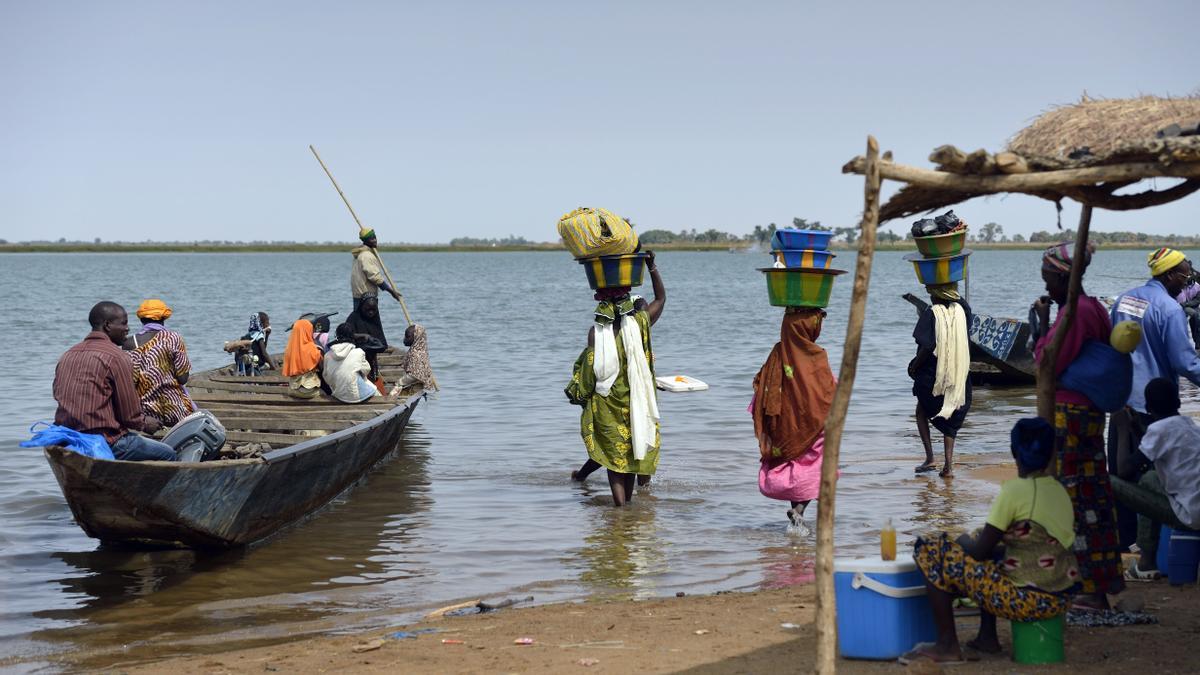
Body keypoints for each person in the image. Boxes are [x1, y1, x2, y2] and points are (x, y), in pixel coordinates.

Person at [904, 418, 1079, 664]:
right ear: (1051, 454)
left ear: (1013, 452)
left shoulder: (1015, 491)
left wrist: (962, 539)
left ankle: (947, 645)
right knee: (993, 550)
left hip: (1027, 600)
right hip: (1061, 597)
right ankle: (987, 638)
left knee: (930, 550)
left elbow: (978, 552)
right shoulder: (1059, 490)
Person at [1031, 242, 1124, 607]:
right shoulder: (1093, 307)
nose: (1047, 286)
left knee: (1074, 499)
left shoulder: (1075, 312)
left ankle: (1088, 589)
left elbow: (1048, 363)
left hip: (1070, 416)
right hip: (1086, 416)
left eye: (1048, 278)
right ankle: (1092, 585)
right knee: (1090, 495)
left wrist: (1040, 327)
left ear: (1061, 276)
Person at [1109, 248, 1200, 548]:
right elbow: (1185, 363)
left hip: (1121, 402)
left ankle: (1124, 539)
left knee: (1121, 475)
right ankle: (1150, 548)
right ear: (1170, 275)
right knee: (1153, 480)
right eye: (1185, 273)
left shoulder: (1123, 299)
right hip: (1153, 409)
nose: (1187, 279)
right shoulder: (1170, 309)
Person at [565, 251, 665, 506]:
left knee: (613, 456)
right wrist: (651, 267)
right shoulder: (640, 324)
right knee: (630, 454)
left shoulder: (595, 334)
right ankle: (626, 509)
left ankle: (620, 510)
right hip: (635, 402)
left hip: (607, 403)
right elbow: (662, 298)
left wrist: (577, 393)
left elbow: (589, 373)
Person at [53, 302, 177, 461]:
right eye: (124, 323)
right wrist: (145, 423)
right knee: (169, 454)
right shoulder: (117, 357)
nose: (127, 328)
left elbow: (57, 394)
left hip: (68, 439)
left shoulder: (68, 354)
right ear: (107, 325)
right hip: (106, 441)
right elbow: (130, 416)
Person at [751, 307, 836, 533]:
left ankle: (797, 517)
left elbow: (762, 388)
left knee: (794, 466)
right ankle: (798, 511)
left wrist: (763, 417)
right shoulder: (816, 355)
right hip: (815, 424)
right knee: (817, 467)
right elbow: (828, 391)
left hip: (783, 424)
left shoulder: (778, 351)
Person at [1112, 378, 1200, 579]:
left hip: (1190, 517)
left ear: (1148, 407)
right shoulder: (1190, 426)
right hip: (1194, 507)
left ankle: (1145, 561)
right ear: (1178, 403)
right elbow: (1151, 456)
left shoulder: (1159, 431)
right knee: (1151, 477)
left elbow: (1123, 471)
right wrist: (1136, 428)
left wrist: (1123, 429)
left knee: (1111, 482)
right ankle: (1147, 557)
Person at [909, 282, 972, 477]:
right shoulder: (963, 311)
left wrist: (914, 366)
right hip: (958, 371)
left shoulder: (931, 313)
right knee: (952, 416)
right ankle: (948, 467)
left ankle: (930, 458)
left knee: (921, 411)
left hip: (933, 375)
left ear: (935, 294)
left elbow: (928, 346)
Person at [123, 299, 196, 428]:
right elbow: (183, 378)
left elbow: (130, 383)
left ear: (141, 319)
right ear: (164, 318)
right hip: (175, 410)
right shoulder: (174, 338)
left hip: (144, 411)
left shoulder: (129, 343)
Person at [323, 323, 378, 403]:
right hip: (358, 395)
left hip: (339, 395)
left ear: (336, 335)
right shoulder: (358, 352)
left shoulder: (327, 355)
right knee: (376, 391)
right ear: (352, 335)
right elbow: (366, 370)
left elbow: (326, 377)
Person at [351, 226, 401, 311]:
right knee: (368, 323)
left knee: (360, 322)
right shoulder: (366, 255)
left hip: (359, 296)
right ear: (365, 241)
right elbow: (374, 277)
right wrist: (391, 291)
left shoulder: (361, 254)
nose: (375, 240)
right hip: (366, 299)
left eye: (375, 238)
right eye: (371, 239)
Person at [346, 295, 388, 381]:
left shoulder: (375, 319)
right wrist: (362, 336)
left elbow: (383, 344)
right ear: (361, 306)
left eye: (373, 310)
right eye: (368, 310)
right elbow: (345, 335)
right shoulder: (353, 317)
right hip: (354, 359)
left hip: (370, 360)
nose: (371, 313)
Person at [282, 318, 323, 399]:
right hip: (310, 391)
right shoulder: (312, 348)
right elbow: (321, 368)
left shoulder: (288, 350)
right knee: (324, 392)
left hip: (293, 390)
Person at [397, 323, 432, 388]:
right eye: (405, 336)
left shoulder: (415, 353)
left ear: (416, 337)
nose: (404, 339)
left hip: (416, 382)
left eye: (408, 336)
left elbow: (414, 375)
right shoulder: (422, 350)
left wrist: (399, 382)